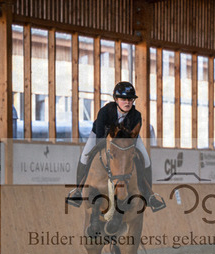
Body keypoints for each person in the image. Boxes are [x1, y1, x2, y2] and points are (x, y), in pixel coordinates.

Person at [66, 81, 166, 212]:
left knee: (146, 159)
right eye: (123, 99)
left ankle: (149, 195)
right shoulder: (105, 112)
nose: (127, 102)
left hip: (127, 140)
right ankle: (78, 191)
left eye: (130, 99)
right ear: (116, 99)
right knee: (85, 156)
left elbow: (131, 139)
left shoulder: (136, 116)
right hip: (101, 136)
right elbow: (100, 138)